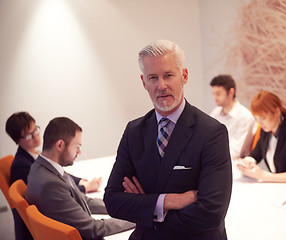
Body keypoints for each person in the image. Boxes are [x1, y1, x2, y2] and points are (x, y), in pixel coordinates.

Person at [104, 40, 232, 240]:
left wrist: (145, 208)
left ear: (185, 76)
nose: (161, 85)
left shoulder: (211, 133)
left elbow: (210, 214)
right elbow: (112, 201)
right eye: (153, 77)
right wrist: (168, 202)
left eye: (168, 75)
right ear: (143, 82)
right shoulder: (134, 132)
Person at [25, 117, 135, 239]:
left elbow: (85, 201)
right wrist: (136, 219)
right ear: (60, 145)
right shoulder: (50, 185)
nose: (79, 152)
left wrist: (123, 206)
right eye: (77, 146)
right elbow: (93, 228)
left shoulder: (41, 167)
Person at [5, 112, 101, 240]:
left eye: (35, 130)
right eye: (29, 135)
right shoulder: (22, 167)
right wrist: (83, 188)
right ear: (17, 140)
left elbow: (60, 175)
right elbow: (54, 194)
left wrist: (80, 181)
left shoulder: (39, 158)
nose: (35, 136)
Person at [237, 91, 286, 183]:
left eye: (263, 118)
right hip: (276, 185)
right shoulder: (265, 131)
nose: (260, 123)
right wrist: (247, 161)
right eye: (257, 118)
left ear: (277, 111)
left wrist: (264, 176)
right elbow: (256, 154)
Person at [210, 74, 256, 159]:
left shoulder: (244, 116)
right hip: (215, 159)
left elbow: (236, 152)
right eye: (213, 94)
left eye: (218, 94)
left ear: (231, 92)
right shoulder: (215, 112)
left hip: (234, 163)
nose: (215, 98)